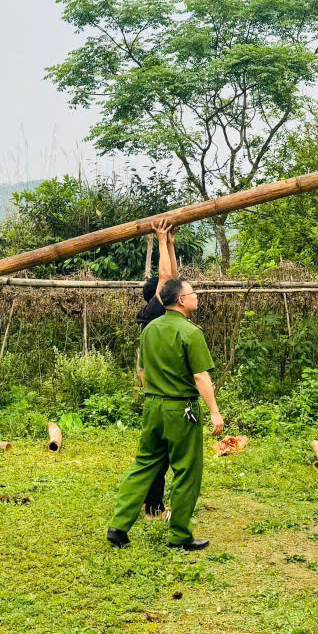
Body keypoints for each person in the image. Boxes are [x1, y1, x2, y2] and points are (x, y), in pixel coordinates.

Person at [107, 278, 223, 551]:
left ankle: (118, 526)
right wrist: (215, 412)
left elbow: (142, 373)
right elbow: (200, 376)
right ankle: (179, 536)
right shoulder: (191, 332)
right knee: (186, 470)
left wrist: (156, 394)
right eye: (193, 293)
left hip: (153, 407)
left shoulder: (149, 330)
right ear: (181, 300)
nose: (197, 297)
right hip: (181, 410)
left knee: (144, 465)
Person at [134, 218, 179, 520]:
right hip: (160, 394)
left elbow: (171, 279)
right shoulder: (153, 311)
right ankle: (151, 507)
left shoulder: (160, 310)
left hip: (165, 392)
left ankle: (151, 505)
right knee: (158, 457)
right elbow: (166, 277)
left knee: (162, 454)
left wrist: (172, 243)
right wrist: (161, 240)